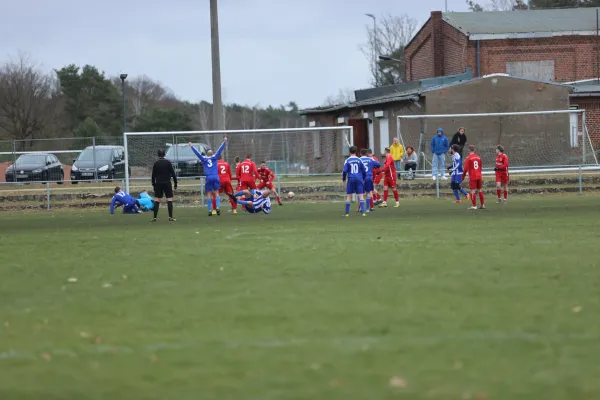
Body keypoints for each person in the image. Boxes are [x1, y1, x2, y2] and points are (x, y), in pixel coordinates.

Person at [189, 137, 228, 216]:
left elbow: (197, 153)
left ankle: (210, 210)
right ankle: (217, 207)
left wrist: (191, 146)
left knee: (209, 194)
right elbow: (220, 150)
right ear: (212, 154)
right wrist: (224, 142)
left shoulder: (204, 159)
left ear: (206, 154)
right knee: (217, 193)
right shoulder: (215, 157)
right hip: (216, 176)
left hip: (209, 177)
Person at [151, 149, 178, 222]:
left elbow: (153, 175)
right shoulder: (168, 163)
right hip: (167, 183)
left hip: (158, 183)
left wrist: (154, 184)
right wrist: (175, 183)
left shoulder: (156, 163)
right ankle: (170, 217)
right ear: (164, 154)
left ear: (158, 154)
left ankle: (154, 218)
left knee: (157, 200)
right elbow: (173, 173)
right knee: (169, 199)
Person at [342, 146, 368, 216]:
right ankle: (363, 212)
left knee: (349, 196)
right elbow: (364, 171)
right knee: (361, 195)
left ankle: (347, 213)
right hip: (359, 178)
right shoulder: (359, 160)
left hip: (351, 178)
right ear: (356, 151)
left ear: (349, 152)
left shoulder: (347, 160)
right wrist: (364, 178)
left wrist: (344, 178)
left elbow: (344, 171)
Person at [462, 145, 485, 210]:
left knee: (473, 191)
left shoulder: (468, 158)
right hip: (479, 175)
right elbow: (480, 167)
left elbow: (465, 169)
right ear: (474, 150)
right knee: (480, 190)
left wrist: (463, 177)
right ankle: (482, 205)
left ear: (469, 150)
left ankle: (474, 206)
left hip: (472, 176)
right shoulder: (478, 157)